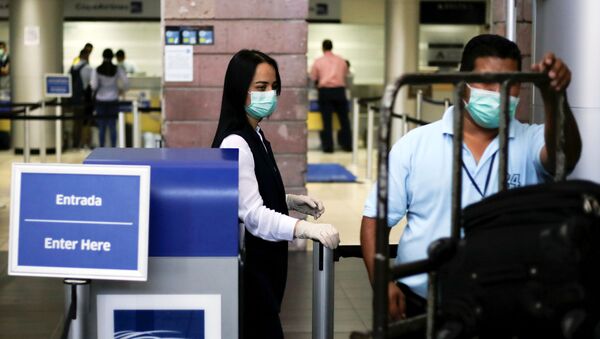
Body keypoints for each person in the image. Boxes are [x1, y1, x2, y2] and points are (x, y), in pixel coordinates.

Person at [360, 34, 581, 322]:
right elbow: (375, 220)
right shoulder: (415, 145)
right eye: (486, 81)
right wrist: (382, 282)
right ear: (463, 81)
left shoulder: (530, 140)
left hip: (507, 306)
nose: (499, 92)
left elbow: (565, 156)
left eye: (510, 83)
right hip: (423, 304)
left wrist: (555, 98)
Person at [211, 49, 341, 338]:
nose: (269, 94)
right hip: (251, 272)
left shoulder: (255, 134)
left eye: (273, 87)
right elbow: (252, 215)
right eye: (260, 87)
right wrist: (304, 229)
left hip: (267, 267)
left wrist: (289, 202)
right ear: (238, 90)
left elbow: (247, 194)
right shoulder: (235, 142)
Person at [310, 39, 352, 153]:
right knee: (344, 120)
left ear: (323, 48)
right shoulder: (341, 60)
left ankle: (328, 147)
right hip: (339, 91)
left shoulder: (318, 61)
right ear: (332, 47)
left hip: (325, 92)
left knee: (326, 121)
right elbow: (346, 74)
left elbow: (313, 77)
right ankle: (347, 145)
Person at [90, 48, 128, 147]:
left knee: (101, 127)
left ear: (103, 57)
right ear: (113, 57)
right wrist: (120, 89)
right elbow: (126, 83)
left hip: (100, 100)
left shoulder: (97, 69)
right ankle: (113, 148)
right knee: (112, 126)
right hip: (113, 99)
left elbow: (93, 85)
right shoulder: (117, 69)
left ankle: (102, 148)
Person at [69, 48, 93, 149]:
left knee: (76, 122)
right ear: (86, 56)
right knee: (85, 121)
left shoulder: (73, 67)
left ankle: (75, 143)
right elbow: (92, 84)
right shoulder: (88, 68)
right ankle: (83, 143)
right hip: (85, 98)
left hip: (74, 98)